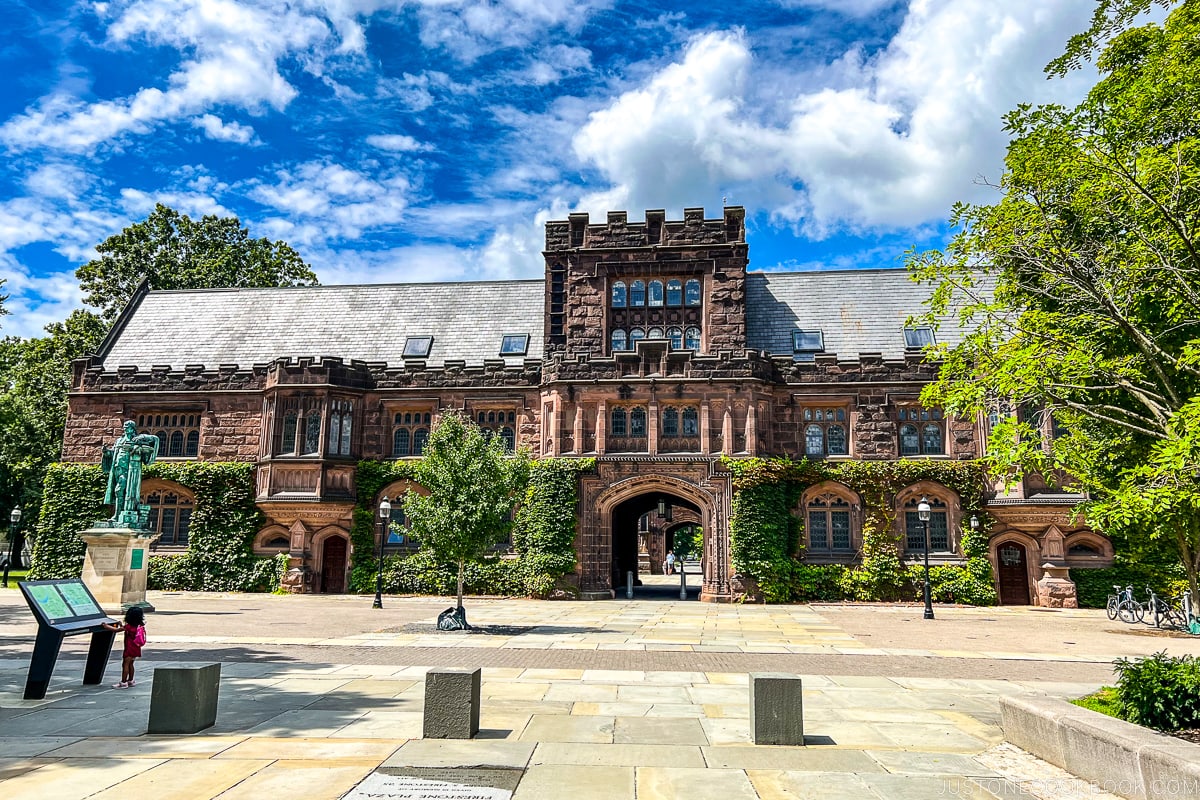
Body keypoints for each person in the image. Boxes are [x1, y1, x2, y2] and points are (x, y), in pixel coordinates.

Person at [102, 420, 159, 528]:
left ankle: (121, 514)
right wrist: (106, 452)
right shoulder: (119, 440)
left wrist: (141, 439)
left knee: (120, 489)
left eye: (127, 427)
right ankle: (117, 515)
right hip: (117, 468)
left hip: (130, 470)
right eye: (124, 427)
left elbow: (155, 439)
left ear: (132, 428)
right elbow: (114, 453)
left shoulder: (137, 439)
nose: (124, 428)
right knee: (118, 491)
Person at [104, 606, 146, 688]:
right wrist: (121, 625)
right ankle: (131, 680)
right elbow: (129, 631)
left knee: (125, 664)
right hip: (136, 648)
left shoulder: (128, 626)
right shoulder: (138, 626)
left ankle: (123, 682)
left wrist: (106, 626)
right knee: (131, 664)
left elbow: (115, 630)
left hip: (129, 648)